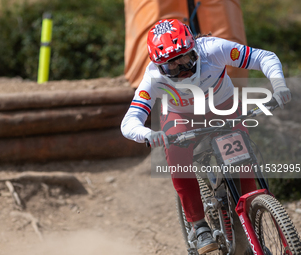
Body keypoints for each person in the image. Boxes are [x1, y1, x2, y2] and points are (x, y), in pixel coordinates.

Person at [121, 19, 291, 254]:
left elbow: (264, 57)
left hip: (223, 107)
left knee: (243, 162)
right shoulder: (153, 78)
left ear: (194, 49)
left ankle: (250, 216)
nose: (182, 70)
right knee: (178, 157)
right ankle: (198, 225)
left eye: (186, 60)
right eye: (171, 67)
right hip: (181, 116)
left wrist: (279, 85)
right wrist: (147, 134)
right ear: (158, 66)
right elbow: (129, 121)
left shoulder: (213, 48)